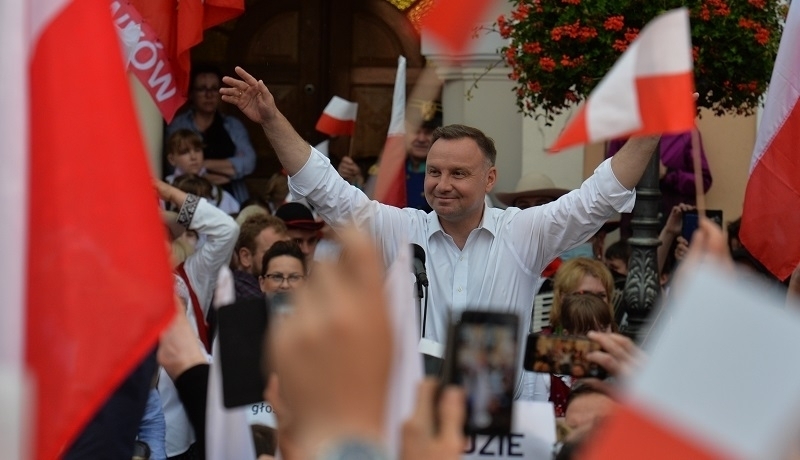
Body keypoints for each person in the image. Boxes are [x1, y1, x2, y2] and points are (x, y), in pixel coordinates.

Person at [222, 65, 660, 399]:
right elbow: (326, 189)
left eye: (458, 173)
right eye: (434, 172)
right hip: (416, 421)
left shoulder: (523, 232)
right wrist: (271, 120)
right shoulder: (399, 229)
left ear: (489, 179)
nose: (442, 184)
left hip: (499, 425)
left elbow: (595, 200)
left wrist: (648, 135)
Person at [156, 180, 239, 459]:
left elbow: (227, 230)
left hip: (182, 433)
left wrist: (167, 192)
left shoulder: (190, 278)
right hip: (128, 432)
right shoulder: (111, 289)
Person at [167, 64, 256, 204]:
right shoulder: (179, 125)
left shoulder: (233, 125)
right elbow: (174, 167)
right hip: (190, 199)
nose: (209, 95)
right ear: (191, 94)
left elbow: (249, 162)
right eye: (202, 89)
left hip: (232, 200)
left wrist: (202, 165)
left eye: (214, 89)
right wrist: (220, 175)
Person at [337, 100, 442, 212]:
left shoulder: (444, 172)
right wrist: (355, 180)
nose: (421, 139)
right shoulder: (388, 170)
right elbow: (369, 209)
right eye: (415, 131)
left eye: (428, 132)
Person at [606, 130, 713, 239]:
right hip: (634, 225)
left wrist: (668, 174)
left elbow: (703, 181)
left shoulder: (685, 132)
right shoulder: (625, 131)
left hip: (674, 228)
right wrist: (633, 170)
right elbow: (609, 180)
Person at [165, 129, 241, 214]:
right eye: (185, 152)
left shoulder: (217, 193)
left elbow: (235, 218)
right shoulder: (165, 189)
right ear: (172, 159)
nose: (193, 157)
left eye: (197, 150)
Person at [233, 214, 290, 301]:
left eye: (286, 252)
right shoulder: (243, 296)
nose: (284, 260)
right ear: (245, 257)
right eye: (274, 252)